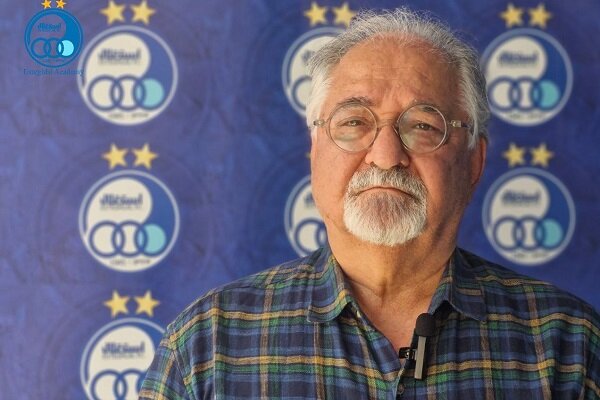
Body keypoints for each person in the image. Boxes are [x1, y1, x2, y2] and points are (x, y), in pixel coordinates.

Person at [140, 8, 599, 399]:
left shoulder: (568, 345)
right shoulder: (207, 347)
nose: (386, 155)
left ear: (473, 162)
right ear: (316, 150)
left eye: (423, 126)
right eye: (355, 122)